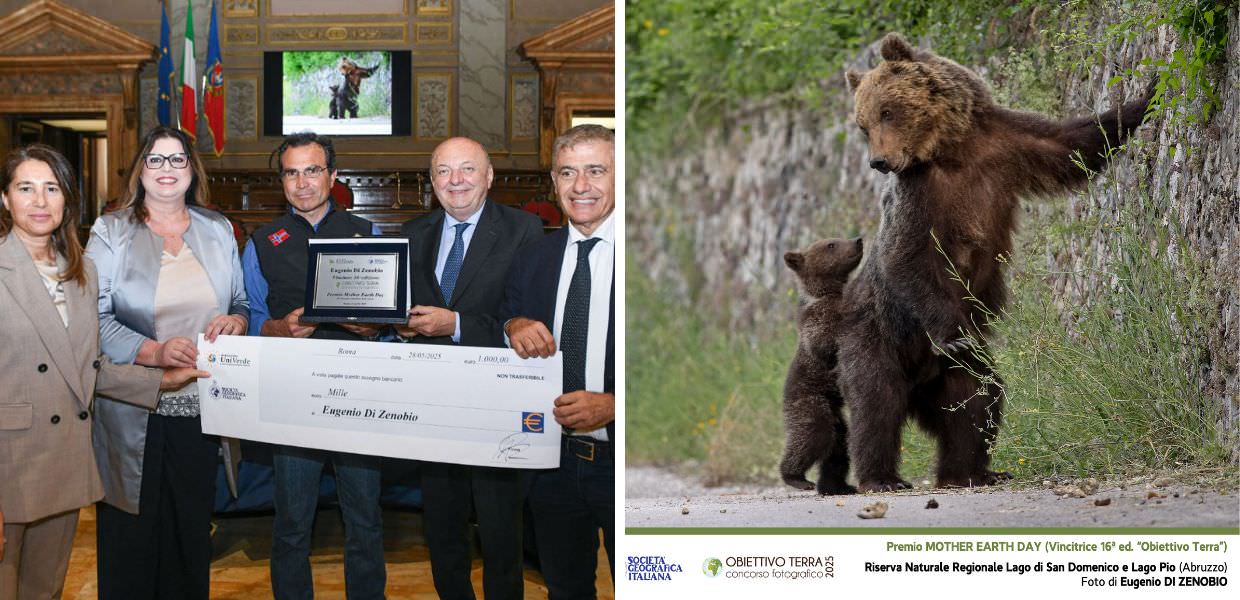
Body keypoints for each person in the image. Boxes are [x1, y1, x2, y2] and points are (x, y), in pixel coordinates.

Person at [0, 144, 206, 600]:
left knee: (43, 591)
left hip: (62, 462)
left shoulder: (82, 273)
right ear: (5, 198)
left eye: (52, 188)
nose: (39, 201)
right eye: (25, 188)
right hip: (8, 466)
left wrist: (161, 381)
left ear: (67, 199)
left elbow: (88, 369)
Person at [86, 126, 249, 600]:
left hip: (202, 409)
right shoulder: (110, 231)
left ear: (191, 169)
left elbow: (240, 301)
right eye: (155, 160)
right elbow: (93, 319)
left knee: (189, 535)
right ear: (140, 170)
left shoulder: (217, 229)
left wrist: (237, 321)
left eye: (177, 159)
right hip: (132, 407)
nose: (166, 169)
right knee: (131, 540)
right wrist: (154, 353)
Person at [396, 137, 543, 600]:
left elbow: (529, 317)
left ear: (489, 176)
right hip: (432, 405)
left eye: (467, 169)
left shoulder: (523, 230)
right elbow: (401, 308)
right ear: (431, 181)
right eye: (443, 171)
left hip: (498, 404)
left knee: (500, 532)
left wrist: (455, 324)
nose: (455, 180)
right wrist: (401, 326)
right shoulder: (413, 232)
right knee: (442, 529)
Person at [241, 132, 386, 600]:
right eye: (292, 172)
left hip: (358, 395)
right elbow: (250, 317)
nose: (302, 182)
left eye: (312, 170)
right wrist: (276, 329)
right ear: (281, 180)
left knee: (365, 518)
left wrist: (375, 329)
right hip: (294, 397)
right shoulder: (262, 242)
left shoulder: (368, 233)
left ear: (333, 175)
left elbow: (390, 321)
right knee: (291, 522)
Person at [502, 124, 615, 600]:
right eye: (568, 173)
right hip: (551, 464)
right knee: (565, 589)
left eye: (596, 171)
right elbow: (506, 316)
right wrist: (513, 325)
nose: (580, 186)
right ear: (553, 181)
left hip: (627, 464)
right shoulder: (533, 257)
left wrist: (616, 406)